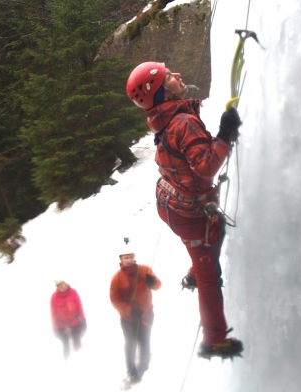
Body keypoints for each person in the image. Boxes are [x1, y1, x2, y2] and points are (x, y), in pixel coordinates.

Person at [125, 62, 243, 359]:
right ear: (162, 92)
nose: (178, 75)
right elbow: (205, 168)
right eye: (169, 77)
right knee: (209, 276)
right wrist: (225, 135)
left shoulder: (164, 117)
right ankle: (214, 340)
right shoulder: (182, 123)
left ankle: (195, 266)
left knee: (212, 236)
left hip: (171, 204)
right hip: (186, 214)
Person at [109, 242, 162, 391]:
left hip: (146, 315)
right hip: (128, 320)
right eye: (126, 257)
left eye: (131, 257)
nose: (129, 260)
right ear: (121, 260)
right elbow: (115, 299)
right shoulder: (117, 278)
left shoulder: (145, 270)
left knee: (144, 341)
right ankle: (132, 372)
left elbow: (158, 285)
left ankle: (144, 368)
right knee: (130, 344)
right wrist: (129, 310)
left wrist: (153, 282)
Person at [50, 279, 87, 359]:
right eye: (59, 285)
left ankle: (79, 360)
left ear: (66, 283)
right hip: (62, 326)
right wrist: (54, 327)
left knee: (77, 343)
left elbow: (79, 307)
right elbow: (53, 313)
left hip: (75, 323)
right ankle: (66, 363)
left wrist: (83, 320)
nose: (61, 286)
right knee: (66, 346)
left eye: (62, 284)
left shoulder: (73, 292)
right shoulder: (54, 297)